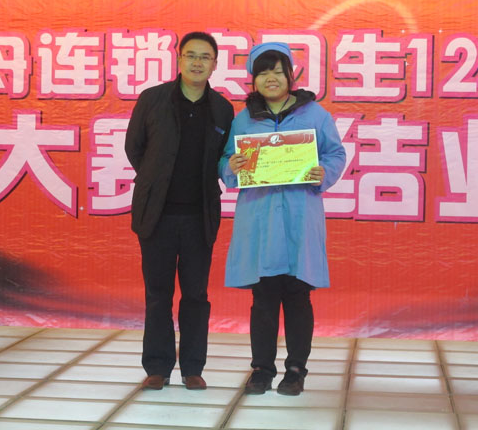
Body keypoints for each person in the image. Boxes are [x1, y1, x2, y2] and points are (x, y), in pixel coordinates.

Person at [219, 42, 346, 396]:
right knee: (263, 297)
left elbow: (335, 153)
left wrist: (325, 171)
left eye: (278, 71)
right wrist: (231, 166)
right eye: (263, 72)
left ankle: (296, 369)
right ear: (253, 79)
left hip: (299, 218)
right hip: (259, 219)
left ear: (290, 75)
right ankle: (261, 368)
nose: (271, 78)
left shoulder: (314, 114)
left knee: (297, 296)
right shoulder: (244, 119)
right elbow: (225, 158)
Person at [125, 32, 234, 391]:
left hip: (199, 218)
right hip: (156, 216)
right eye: (191, 55)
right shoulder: (153, 99)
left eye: (205, 57)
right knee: (158, 294)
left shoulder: (222, 109)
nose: (197, 62)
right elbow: (134, 148)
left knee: (196, 295)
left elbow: (224, 156)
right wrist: (156, 181)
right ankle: (157, 367)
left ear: (214, 64)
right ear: (179, 59)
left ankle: (192, 367)